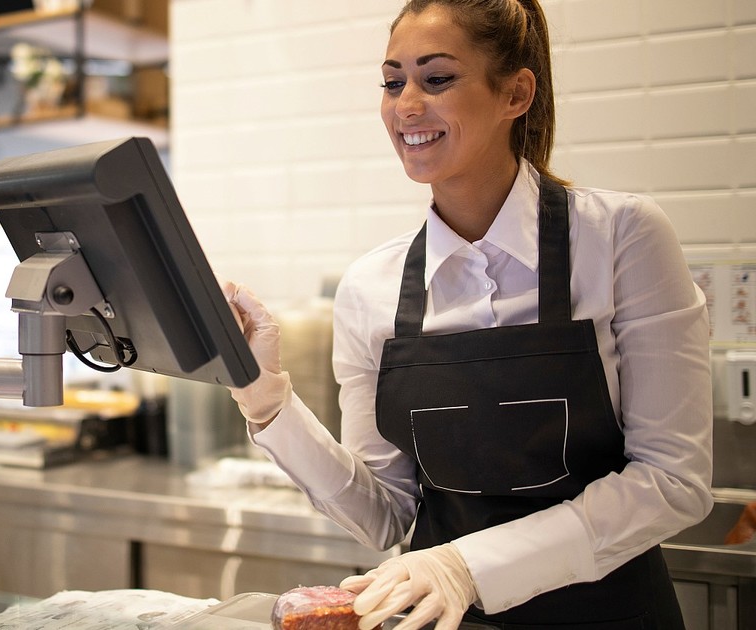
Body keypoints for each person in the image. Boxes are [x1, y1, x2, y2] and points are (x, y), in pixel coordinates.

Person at [224, 0, 712, 628]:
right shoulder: (370, 288)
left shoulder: (621, 237)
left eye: (437, 78)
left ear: (515, 93)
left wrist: (466, 566)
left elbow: (674, 481)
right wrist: (266, 401)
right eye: (393, 82)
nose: (406, 106)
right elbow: (385, 513)